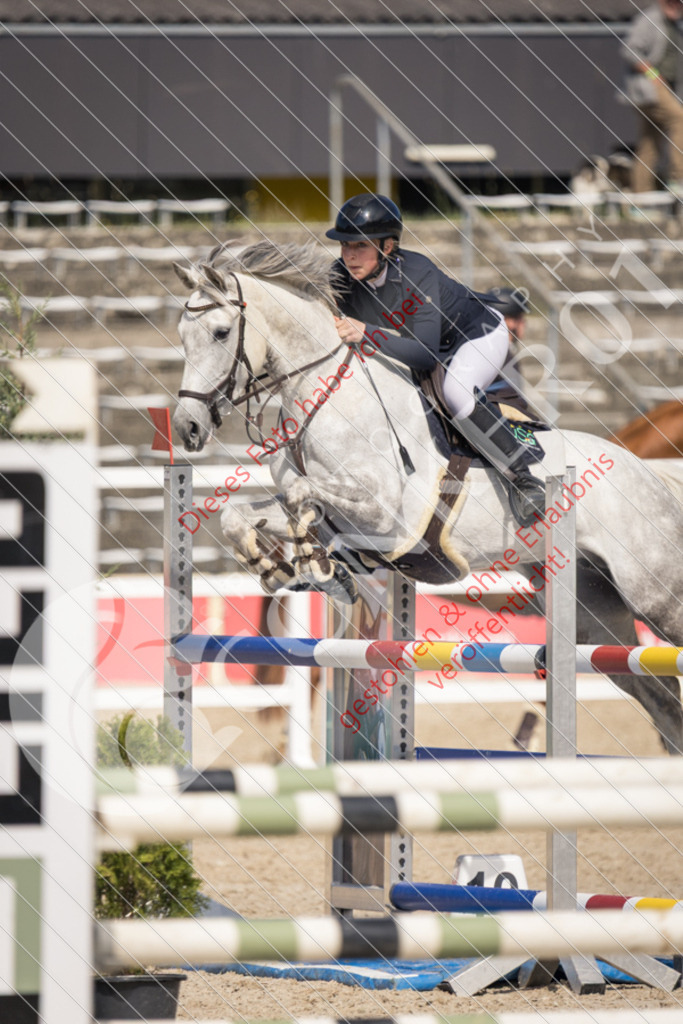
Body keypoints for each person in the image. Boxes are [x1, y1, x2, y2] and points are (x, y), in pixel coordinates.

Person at [327, 193, 545, 526]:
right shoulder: (341, 276)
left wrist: (366, 331)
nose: (349, 256)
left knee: (457, 392)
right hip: (429, 344)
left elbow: (425, 355)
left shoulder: (417, 272)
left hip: (477, 335)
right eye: (344, 246)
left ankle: (525, 480)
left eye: (360, 246)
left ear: (387, 247)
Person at [622, 0, 683, 193]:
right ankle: (678, 179)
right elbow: (629, 50)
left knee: (650, 142)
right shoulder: (650, 19)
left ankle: (640, 196)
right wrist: (653, 75)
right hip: (652, 88)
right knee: (680, 120)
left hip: (668, 89)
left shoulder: (674, 24)